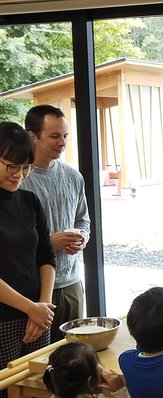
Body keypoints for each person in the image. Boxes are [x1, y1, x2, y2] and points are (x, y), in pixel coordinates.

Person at [0, 122, 56, 398]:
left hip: (37, 317)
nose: (18, 175)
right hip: (4, 319)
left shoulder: (30, 201)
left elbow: (46, 257)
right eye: (10, 166)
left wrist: (43, 305)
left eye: (25, 168)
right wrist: (30, 308)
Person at [22, 105, 90, 343]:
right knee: (38, 364)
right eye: (54, 136)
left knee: (74, 358)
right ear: (33, 136)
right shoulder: (18, 180)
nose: (62, 142)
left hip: (72, 283)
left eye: (65, 136)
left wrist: (82, 237)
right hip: (32, 289)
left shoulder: (74, 177)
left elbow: (83, 220)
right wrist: (50, 242)